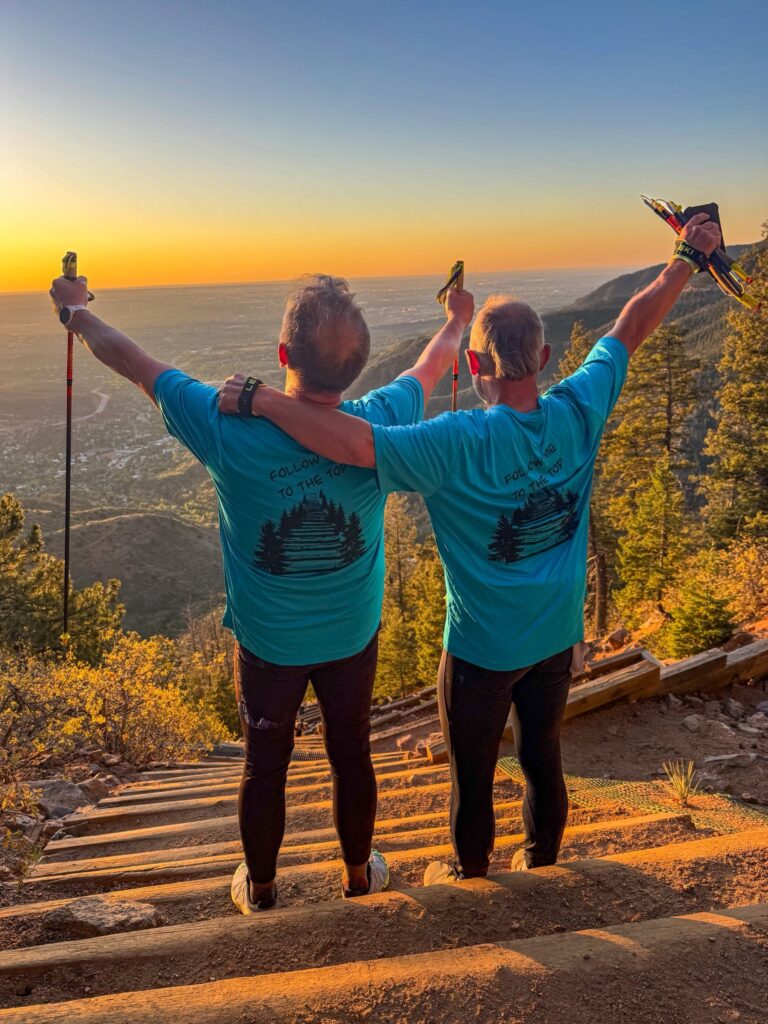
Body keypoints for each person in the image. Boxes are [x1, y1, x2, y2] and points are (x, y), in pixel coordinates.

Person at [218, 214, 721, 881]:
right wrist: (686, 255)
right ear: (543, 359)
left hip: (482, 651)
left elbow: (351, 443)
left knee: (475, 776)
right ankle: (541, 862)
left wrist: (264, 402)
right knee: (542, 752)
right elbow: (631, 324)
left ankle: (471, 877)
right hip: (553, 638)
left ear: (475, 366)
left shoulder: (454, 443)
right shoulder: (579, 406)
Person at [48, 272, 474, 908]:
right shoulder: (381, 420)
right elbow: (433, 364)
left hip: (269, 643)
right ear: (356, 369)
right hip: (352, 635)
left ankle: (263, 888)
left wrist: (77, 314)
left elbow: (135, 362)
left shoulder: (228, 427)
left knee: (265, 763)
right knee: (351, 753)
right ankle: (359, 877)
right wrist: (457, 318)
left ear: (283, 358)